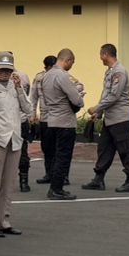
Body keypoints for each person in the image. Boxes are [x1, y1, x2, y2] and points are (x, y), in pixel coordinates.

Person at [0, 52, 31, 238]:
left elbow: (28, 109)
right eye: (1, 70)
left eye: (8, 70)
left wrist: (19, 88)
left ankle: (4, 220)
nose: (4, 73)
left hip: (14, 139)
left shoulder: (15, 86)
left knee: (9, 184)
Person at [84, 44, 129, 193]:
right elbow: (106, 94)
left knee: (125, 150)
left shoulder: (119, 71)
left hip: (121, 118)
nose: (100, 58)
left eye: (101, 55)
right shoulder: (110, 71)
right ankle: (98, 179)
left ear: (105, 55)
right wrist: (99, 113)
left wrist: (96, 107)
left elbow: (114, 96)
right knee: (104, 148)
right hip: (110, 119)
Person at [38, 49, 84, 200]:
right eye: (72, 63)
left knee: (54, 155)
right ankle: (56, 188)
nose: (71, 66)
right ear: (68, 60)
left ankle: (55, 186)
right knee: (63, 156)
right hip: (65, 121)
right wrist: (80, 97)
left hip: (51, 119)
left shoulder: (46, 76)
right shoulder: (63, 76)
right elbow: (76, 100)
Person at [28, 55, 56, 188]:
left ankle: (61, 175)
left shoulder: (63, 76)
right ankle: (49, 174)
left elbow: (79, 87)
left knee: (58, 149)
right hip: (46, 118)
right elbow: (33, 97)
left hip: (58, 118)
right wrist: (32, 114)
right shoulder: (39, 77)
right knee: (47, 148)